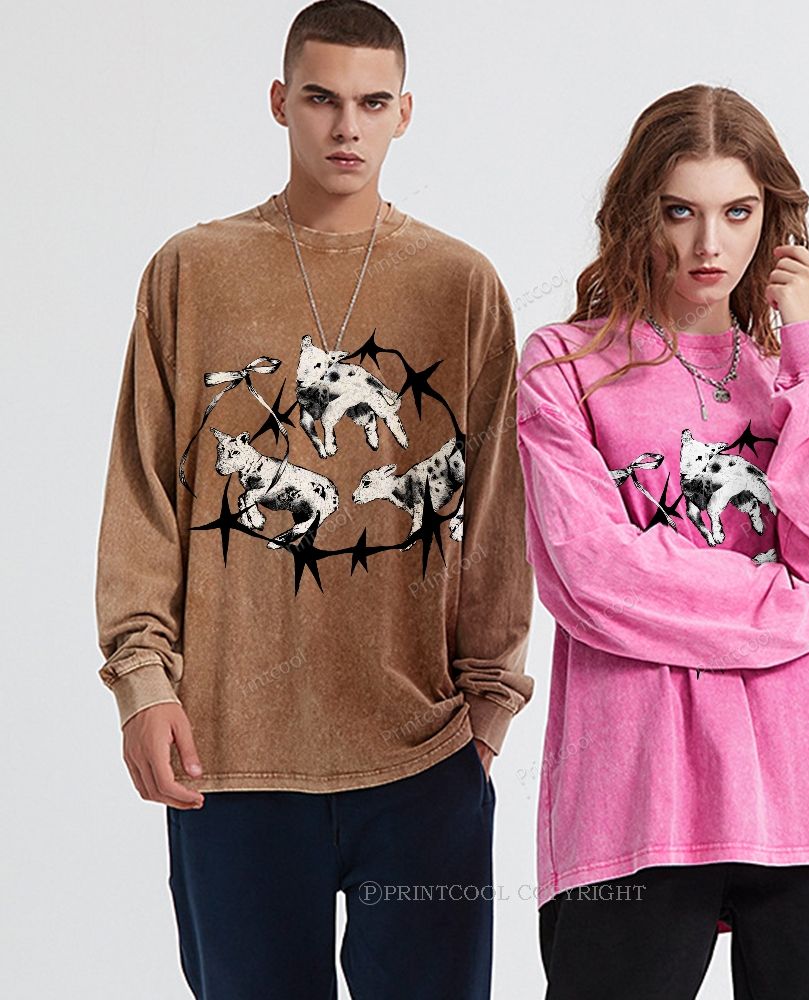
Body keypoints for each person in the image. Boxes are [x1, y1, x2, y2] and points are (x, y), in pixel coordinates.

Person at [94, 3, 534, 997]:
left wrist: (488, 712)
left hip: (424, 758)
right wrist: (143, 683)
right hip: (232, 755)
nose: (346, 127)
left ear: (405, 113)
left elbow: (501, 513)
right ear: (279, 101)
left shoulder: (461, 284)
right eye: (323, 99)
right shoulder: (192, 271)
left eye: (373, 104)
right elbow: (142, 490)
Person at [514, 83, 809, 1000]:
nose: (709, 246)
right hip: (638, 798)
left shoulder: (793, 372)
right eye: (680, 211)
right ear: (638, 213)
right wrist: (806, 609)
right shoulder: (565, 365)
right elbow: (596, 577)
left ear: (773, 218)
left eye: (738, 212)